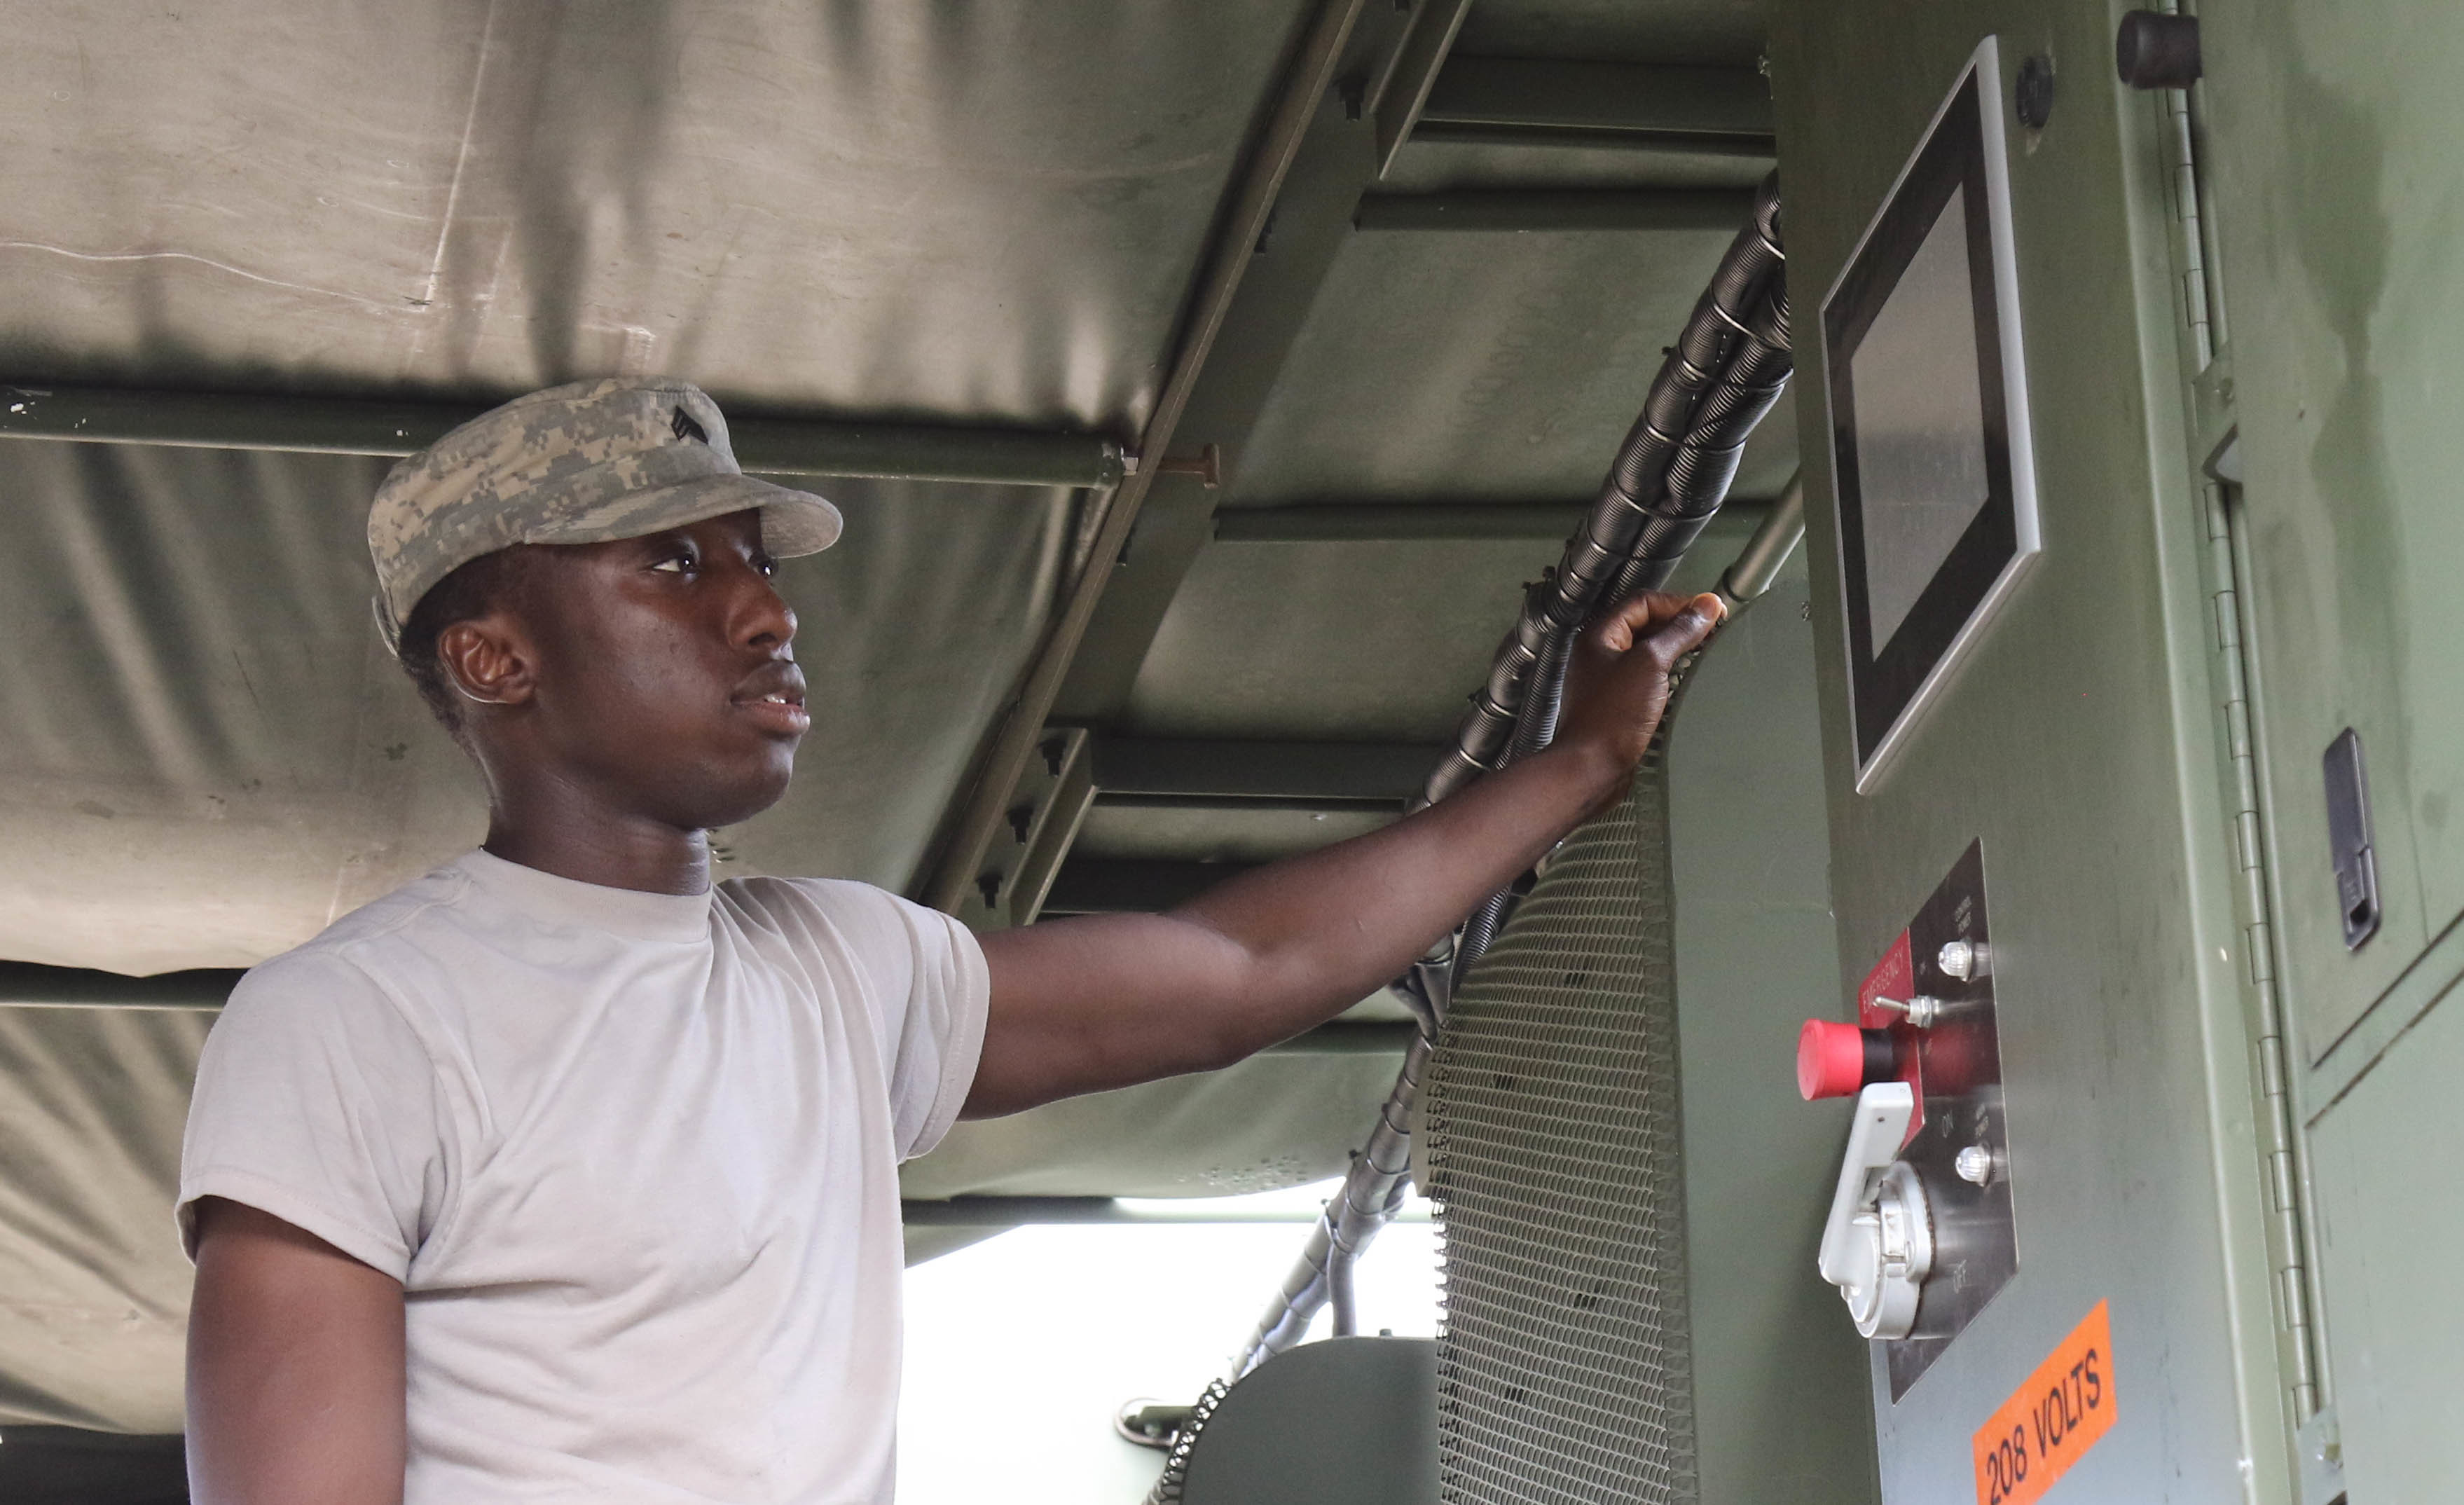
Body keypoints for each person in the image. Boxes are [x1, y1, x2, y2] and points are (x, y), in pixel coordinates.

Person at [177, 377, 1725, 1505]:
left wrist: (1575, 767)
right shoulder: (356, 1020)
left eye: (759, 564)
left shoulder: (837, 971)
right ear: (494, 658)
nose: (763, 616)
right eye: (674, 565)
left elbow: (1239, 977)